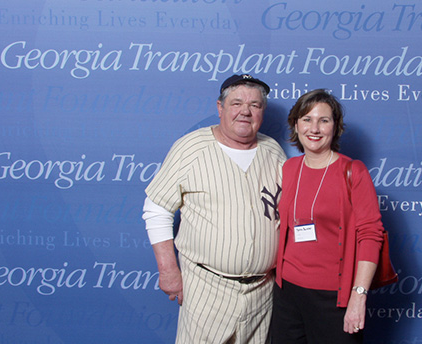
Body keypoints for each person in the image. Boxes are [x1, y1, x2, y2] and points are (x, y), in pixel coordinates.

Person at [142, 74, 286, 344]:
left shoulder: (273, 151)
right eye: (237, 103)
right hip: (207, 287)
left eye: (255, 105)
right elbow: (156, 208)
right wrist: (168, 270)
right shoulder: (190, 148)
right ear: (220, 107)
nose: (245, 111)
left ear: (262, 112)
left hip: (262, 292)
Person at [271, 89, 385, 343]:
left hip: (334, 297)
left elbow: (370, 235)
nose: (315, 128)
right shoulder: (289, 168)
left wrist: (358, 295)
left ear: (335, 127)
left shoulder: (353, 171)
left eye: (324, 120)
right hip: (287, 293)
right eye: (307, 119)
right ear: (296, 124)